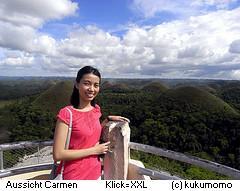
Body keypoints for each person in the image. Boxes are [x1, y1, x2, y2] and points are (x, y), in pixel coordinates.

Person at [53, 66, 129, 180]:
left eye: (96, 85)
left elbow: (90, 132)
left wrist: (107, 120)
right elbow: (58, 154)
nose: (92, 89)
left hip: (95, 174)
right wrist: (94, 150)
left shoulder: (96, 110)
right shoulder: (67, 114)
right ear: (77, 84)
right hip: (74, 176)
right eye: (87, 83)